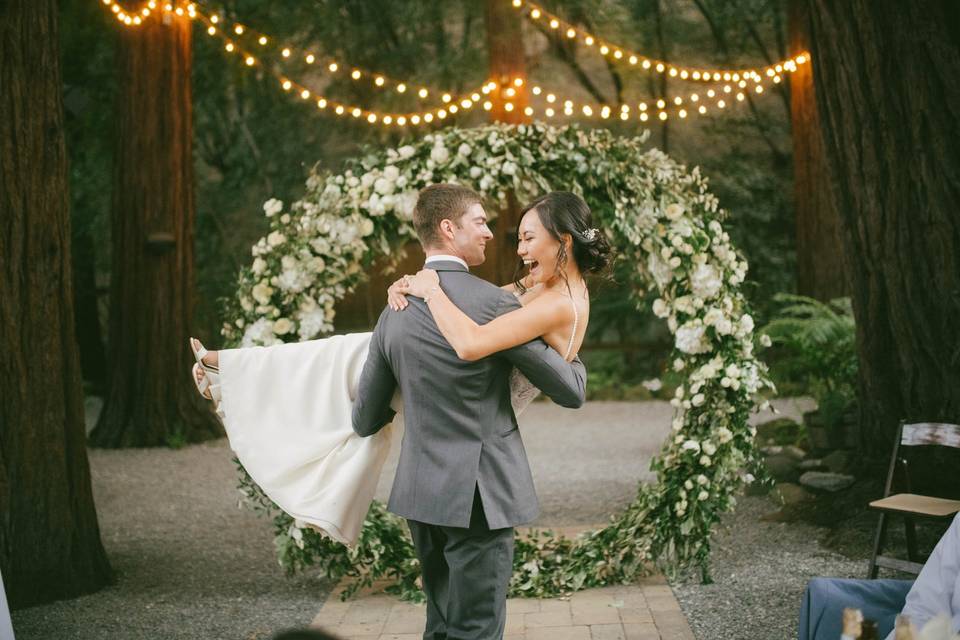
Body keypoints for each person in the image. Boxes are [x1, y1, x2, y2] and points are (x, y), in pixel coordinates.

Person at [190, 185, 609, 637]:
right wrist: (572, 356)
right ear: (449, 228)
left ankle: (235, 369)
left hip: (421, 487)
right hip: (480, 490)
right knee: (477, 628)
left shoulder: (398, 308)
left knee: (441, 622)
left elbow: (365, 420)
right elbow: (558, 379)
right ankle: (233, 367)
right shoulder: (498, 303)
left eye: (526, 237)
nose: (498, 236)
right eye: (482, 223)